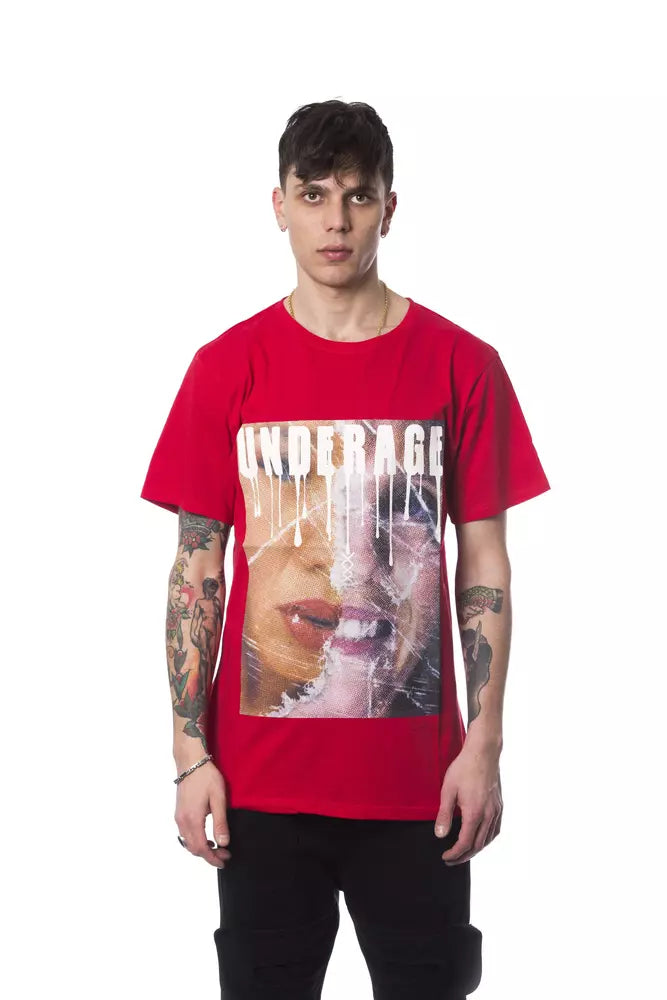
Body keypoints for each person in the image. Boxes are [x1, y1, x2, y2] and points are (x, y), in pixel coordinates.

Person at [140, 99, 551, 1000]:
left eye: (358, 196)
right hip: (257, 788)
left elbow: (484, 565)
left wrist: (482, 747)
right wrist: (189, 755)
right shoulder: (226, 367)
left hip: (418, 790)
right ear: (278, 205)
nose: (336, 219)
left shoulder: (461, 364)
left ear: (388, 209)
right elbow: (196, 570)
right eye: (314, 194)